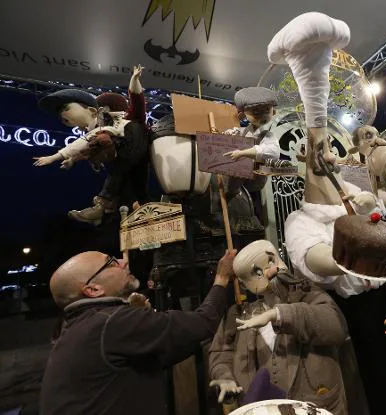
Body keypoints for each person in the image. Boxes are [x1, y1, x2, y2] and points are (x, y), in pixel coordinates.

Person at [39, 249, 237, 415]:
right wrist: (222, 278)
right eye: (111, 262)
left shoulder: (76, 326)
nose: (124, 262)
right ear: (93, 289)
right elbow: (204, 322)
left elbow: (162, 354)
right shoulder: (112, 322)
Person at [208, 240, 348, 414]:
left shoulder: (310, 296)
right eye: (258, 271)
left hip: (315, 406)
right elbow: (221, 353)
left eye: (272, 261)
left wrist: (279, 314)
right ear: (244, 285)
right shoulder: (237, 315)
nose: (271, 271)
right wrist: (225, 377)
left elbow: (335, 327)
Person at [33, 66, 150, 225]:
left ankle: (103, 205)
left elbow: (137, 100)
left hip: (134, 148)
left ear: (93, 111)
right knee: (133, 184)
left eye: (66, 108)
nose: (62, 116)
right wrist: (72, 160)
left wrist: (134, 79)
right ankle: (137, 208)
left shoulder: (123, 120)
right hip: (132, 160)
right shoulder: (97, 130)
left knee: (116, 164)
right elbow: (83, 146)